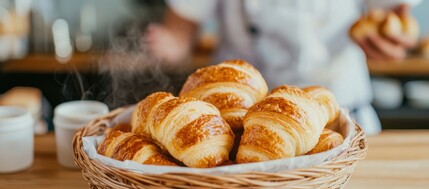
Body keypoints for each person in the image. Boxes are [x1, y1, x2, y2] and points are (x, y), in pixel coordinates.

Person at [145, 0, 422, 135]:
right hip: (239, 128)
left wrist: (391, 40)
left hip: (340, 121)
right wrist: (168, 45)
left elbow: (396, 19)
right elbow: (179, 31)